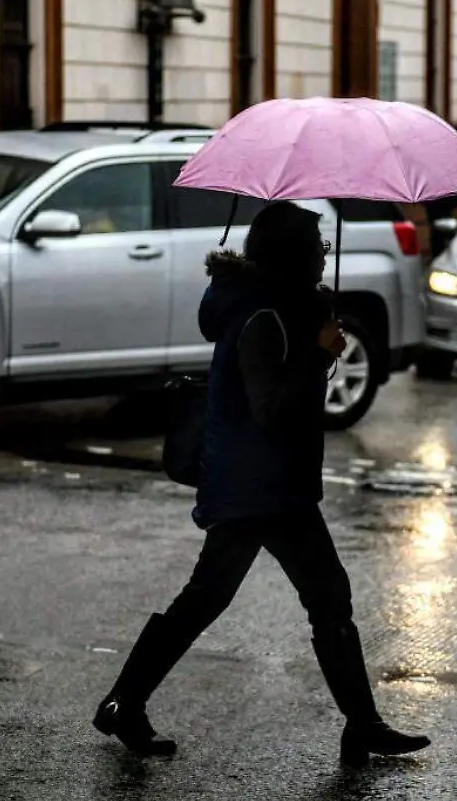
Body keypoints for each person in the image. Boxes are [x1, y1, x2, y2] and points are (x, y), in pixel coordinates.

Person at [92, 203, 430, 767]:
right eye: (316, 246)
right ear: (289, 255)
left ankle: (362, 724)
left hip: (269, 483)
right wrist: (317, 356)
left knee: (292, 597)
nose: (324, 254)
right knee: (256, 597)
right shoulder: (260, 319)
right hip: (255, 488)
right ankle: (125, 702)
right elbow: (271, 410)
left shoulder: (281, 310)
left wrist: (317, 346)